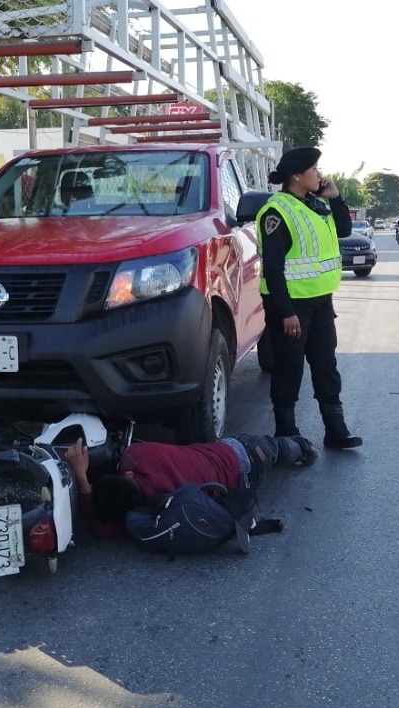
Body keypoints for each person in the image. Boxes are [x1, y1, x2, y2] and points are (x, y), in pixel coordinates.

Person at [256, 147, 363, 450]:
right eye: (314, 169)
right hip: (290, 306)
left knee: (325, 364)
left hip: (320, 301)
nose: (319, 174)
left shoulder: (316, 204)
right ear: (296, 176)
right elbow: (273, 269)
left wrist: (336, 197)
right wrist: (286, 312)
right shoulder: (277, 212)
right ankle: (286, 433)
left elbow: (343, 229)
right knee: (290, 367)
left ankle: (335, 429)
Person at [65, 433, 318, 539]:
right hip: (238, 453)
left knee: (272, 451)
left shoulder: (145, 515)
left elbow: (102, 527)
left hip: (240, 479)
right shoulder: (137, 454)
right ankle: (304, 446)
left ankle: (300, 448)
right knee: (278, 447)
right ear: (127, 473)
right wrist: (85, 468)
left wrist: (83, 482)